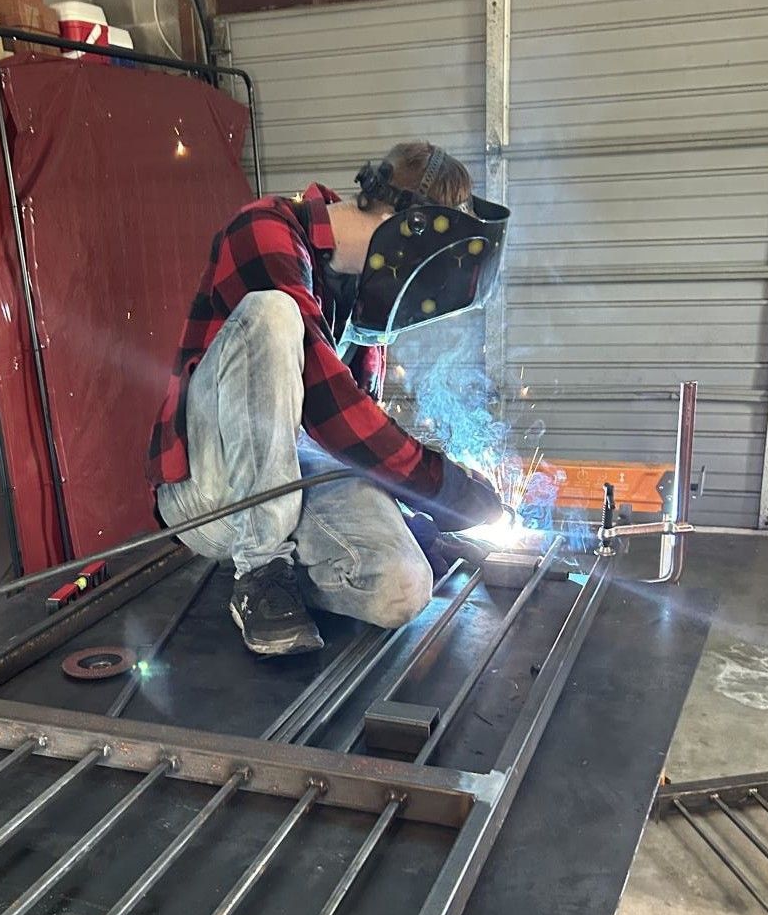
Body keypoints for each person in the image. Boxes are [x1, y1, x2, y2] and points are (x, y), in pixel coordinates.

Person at [146, 141, 508, 657]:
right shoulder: (264, 230)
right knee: (274, 316)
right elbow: (329, 404)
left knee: (403, 587)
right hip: (210, 488)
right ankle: (263, 572)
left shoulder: (363, 305)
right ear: (409, 228)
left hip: (288, 478)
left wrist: (410, 518)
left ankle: (294, 572)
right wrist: (440, 484)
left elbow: (352, 442)